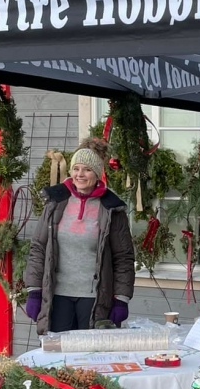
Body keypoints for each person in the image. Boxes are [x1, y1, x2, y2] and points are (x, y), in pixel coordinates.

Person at [24, 137, 135, 334]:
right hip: (57, 296)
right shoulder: (55, 203)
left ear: (97, 173)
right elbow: (38, 248)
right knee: (59, 350)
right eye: (76, 169)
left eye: (87, 169)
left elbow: (123, 258)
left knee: (90, 350)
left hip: (94, 298)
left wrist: (121, 298)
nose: (80, 174)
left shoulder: (111, 208)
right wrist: (34, 291)